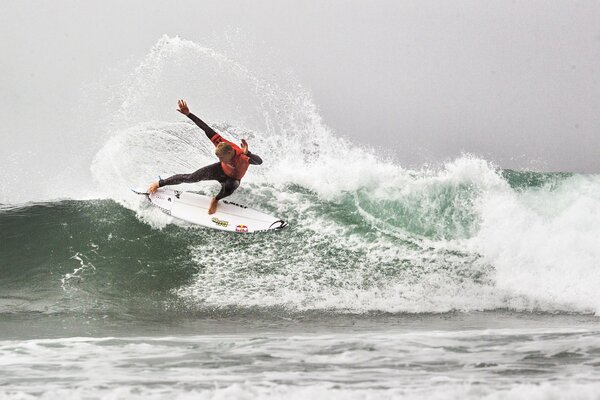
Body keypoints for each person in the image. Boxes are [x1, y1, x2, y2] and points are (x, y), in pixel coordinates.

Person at [147, 99, 262, 214]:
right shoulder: (221, 143)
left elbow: (259, 161)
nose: (219, 159)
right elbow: (206, 128)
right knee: (191, 178)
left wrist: (248, 153)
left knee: (231, 186)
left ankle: (216, 200)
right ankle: (159, 183)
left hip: (233, 178)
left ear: (229, 153)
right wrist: (189, 114)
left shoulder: (243, 157)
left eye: (221, 158)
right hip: (219, 170)